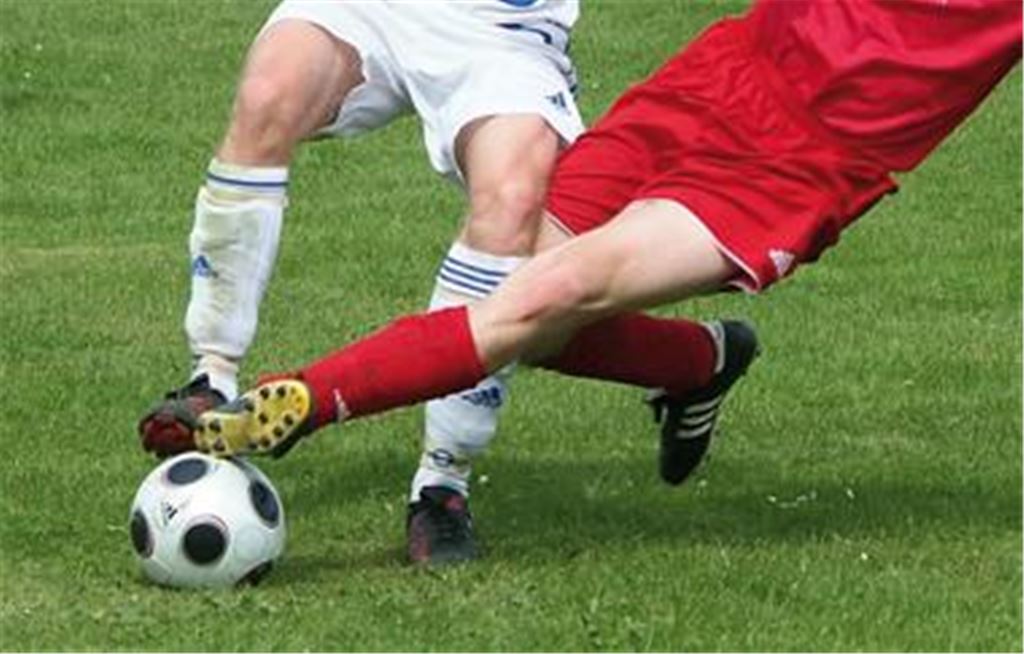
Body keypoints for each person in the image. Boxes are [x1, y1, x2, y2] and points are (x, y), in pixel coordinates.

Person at [193, 0, 1022, 557]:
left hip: (802, 166)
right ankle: (697, 364)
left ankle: (299, 401)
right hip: (715, 82)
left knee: (547, 297)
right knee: (521, 301)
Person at [137, 1, 586, 565]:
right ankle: (211, 376)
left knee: (511, 202)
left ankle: (442, 484)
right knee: (267, 96)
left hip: (501, 29)